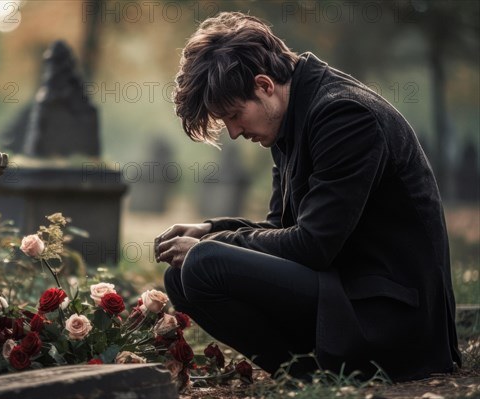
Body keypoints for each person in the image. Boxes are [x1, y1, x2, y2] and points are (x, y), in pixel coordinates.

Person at [155, 11, 461, 382]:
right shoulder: (290, 115)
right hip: (344, 292)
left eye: (235, 115)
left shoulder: (344, 116)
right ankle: (303, 372)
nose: (234, 132)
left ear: (265, 85)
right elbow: (279, 230)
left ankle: (322, 371)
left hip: (393, 321)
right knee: (181, 274)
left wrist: (211, 245)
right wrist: (208, 229)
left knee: (203, 263)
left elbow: (314, 245)